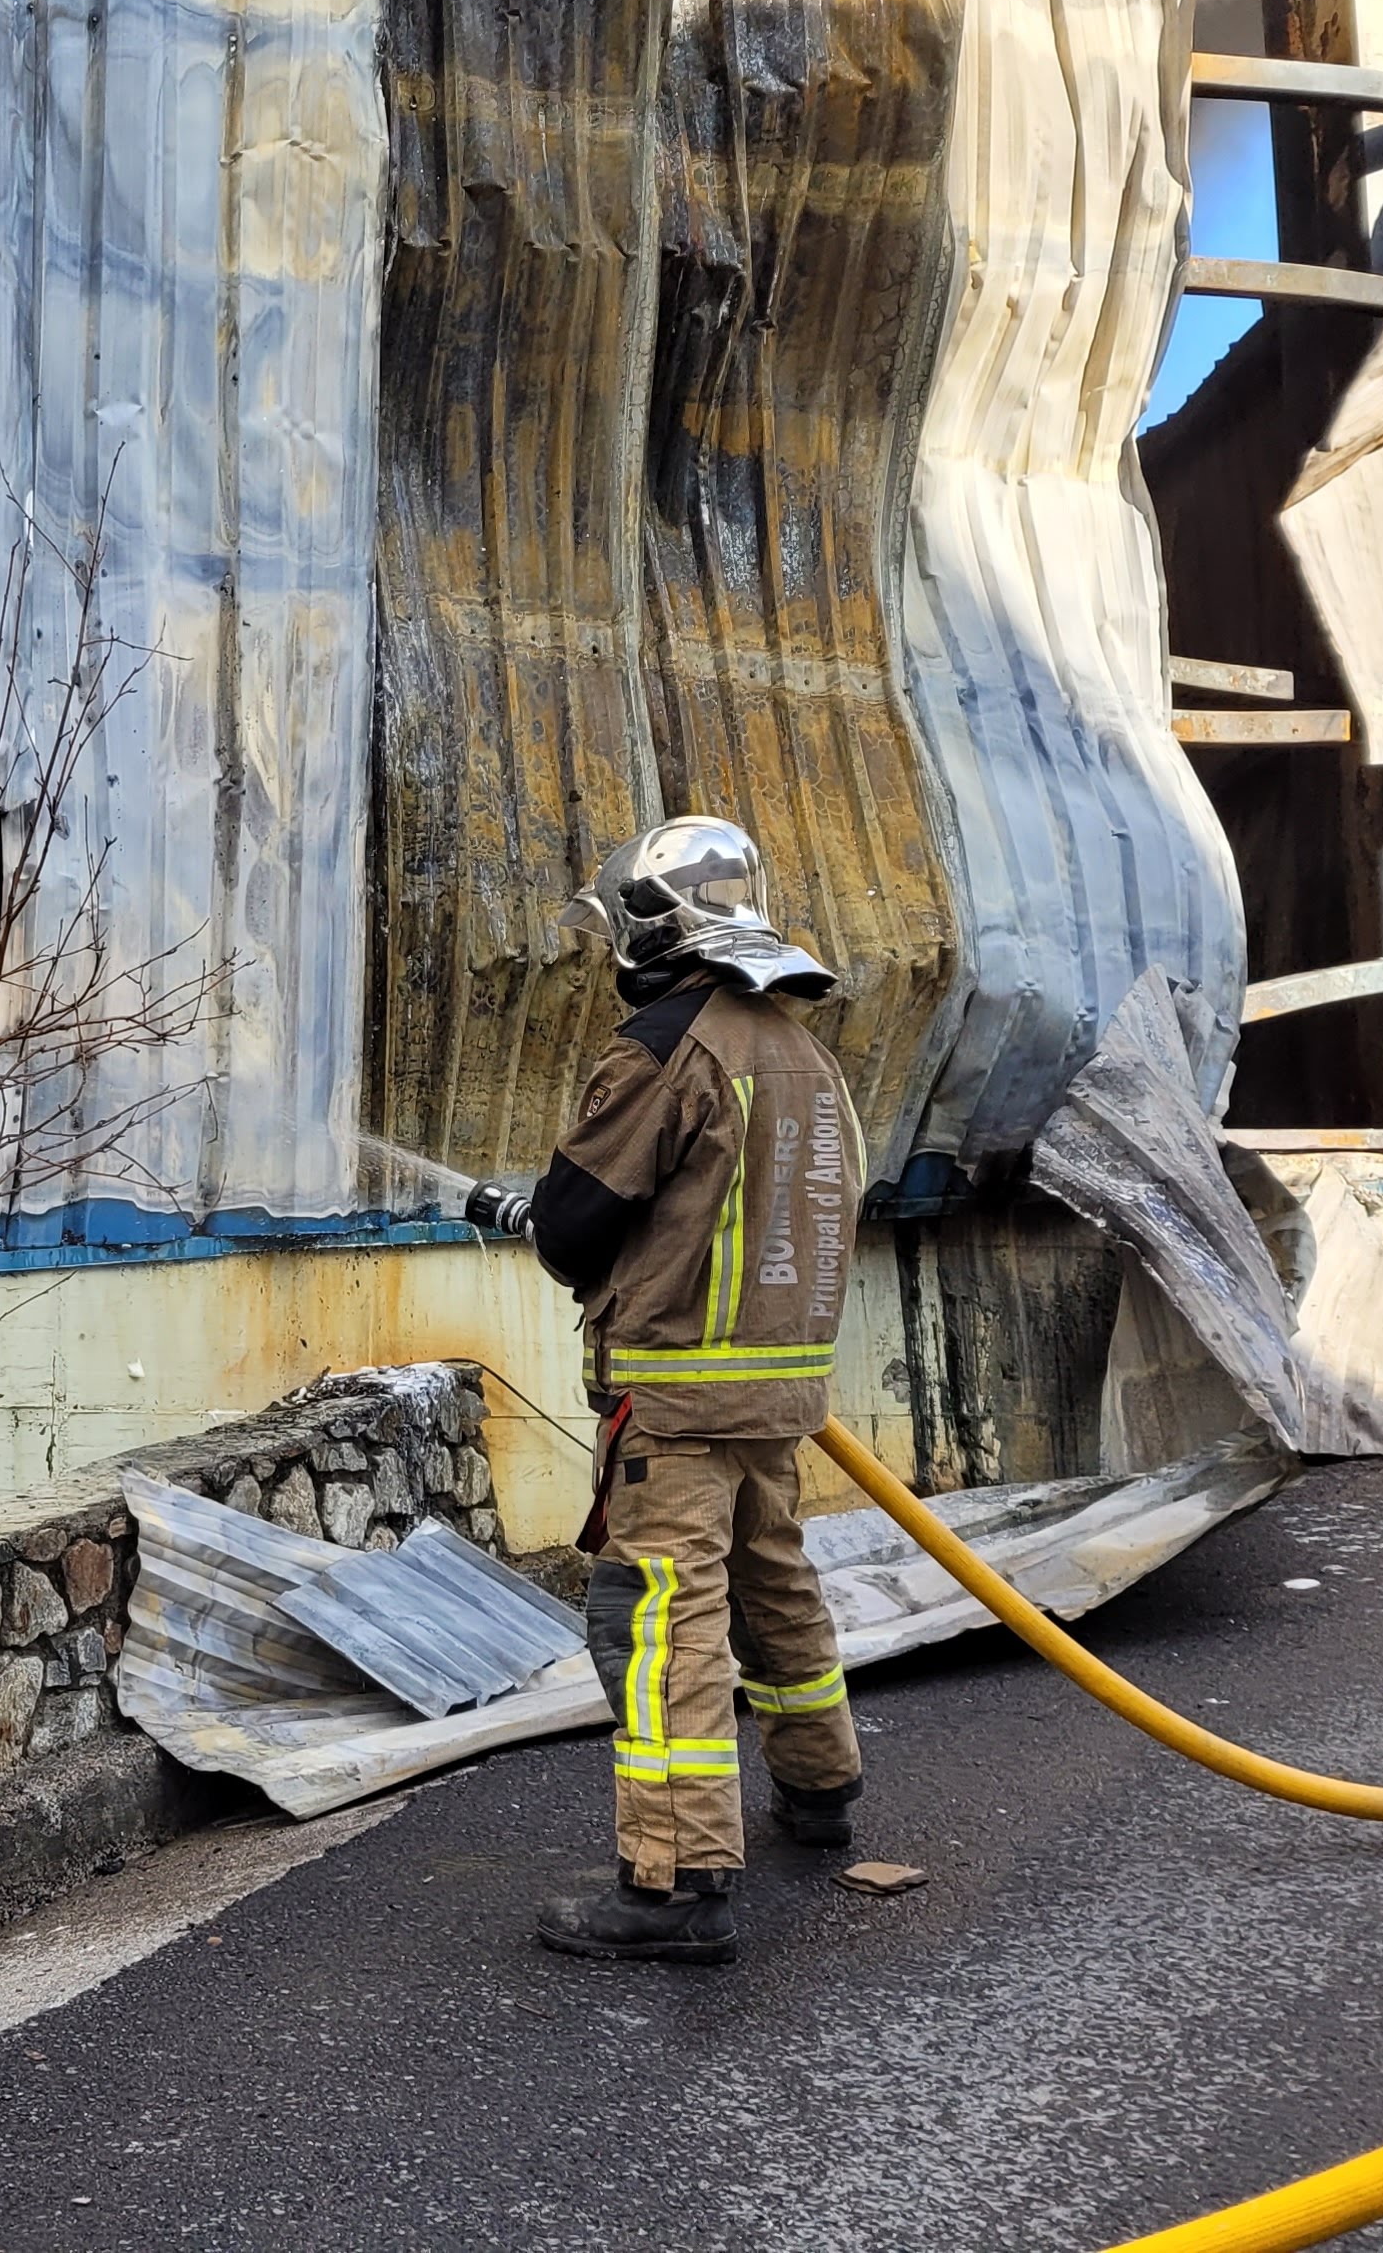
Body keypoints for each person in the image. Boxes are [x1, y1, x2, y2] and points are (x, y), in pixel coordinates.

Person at [518, 815, 863, 1965]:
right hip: (777, 1393)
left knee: (658, 1624)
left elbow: (572, 1230)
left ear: (650, 931)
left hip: (674, 1401)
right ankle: (820, 1790)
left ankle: (675, 1882)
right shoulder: (804, 1052)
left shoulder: (665, 1047)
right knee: (773, 1587)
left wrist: (547, 1214)